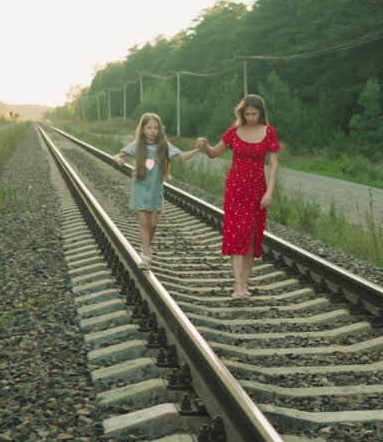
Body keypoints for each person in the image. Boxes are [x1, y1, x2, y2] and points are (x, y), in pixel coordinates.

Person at [196, 94, 280, 299]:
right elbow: (214, 153)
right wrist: (204, 145)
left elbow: (274, 164)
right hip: (235, 189)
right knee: (236, 235)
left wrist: (269, 192)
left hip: (258, 190)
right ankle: (237, 286)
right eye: (247, 113)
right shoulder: (234, 132)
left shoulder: (269, 132)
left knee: (251, 237)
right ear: (241, 113)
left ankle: (244, 283)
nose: (251, 117)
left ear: (261, 113)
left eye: (254, 113)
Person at [114, 112, 197, 267]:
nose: (153, 131)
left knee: (153, 224)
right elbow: (119, 155)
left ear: (160, 130)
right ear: (143, 129)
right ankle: (146, 254)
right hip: (140, 188)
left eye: (156, 128)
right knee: (144, 223)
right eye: (149, 128)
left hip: (155, 190)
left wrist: (198, 149)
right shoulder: (137, 145)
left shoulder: (164, 146)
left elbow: (183, 156)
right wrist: (118, 158)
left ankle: (146, 247)